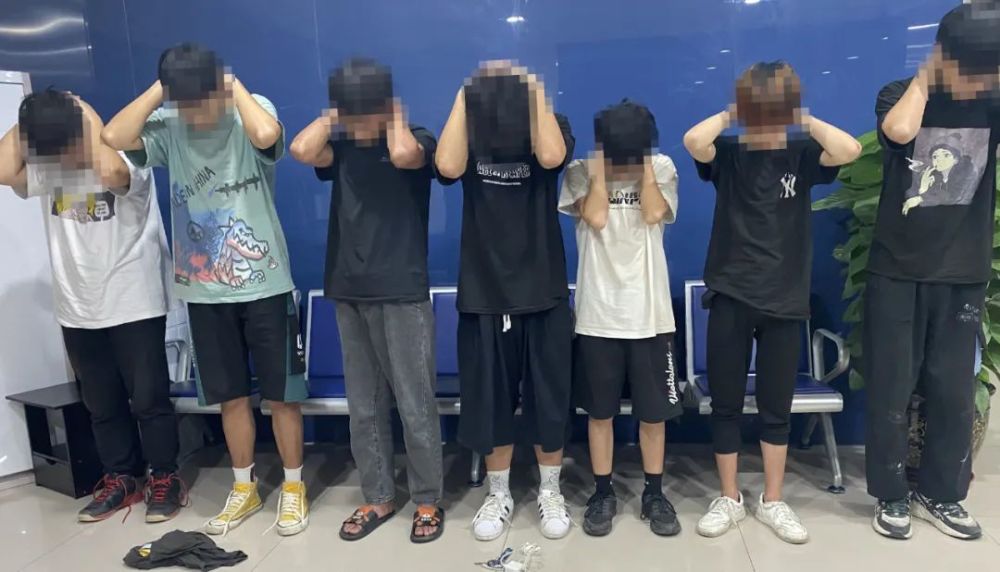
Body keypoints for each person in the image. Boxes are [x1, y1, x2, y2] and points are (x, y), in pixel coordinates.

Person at [102, 43, 308, 536]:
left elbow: (267, 136)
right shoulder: (168, 124)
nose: (196, 114)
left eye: (202, 100)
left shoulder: (250, 109)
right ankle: (244, 487)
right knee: (230, 398)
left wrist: (232, 87)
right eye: (186, 103)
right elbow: (113, 135)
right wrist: (162, 91)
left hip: (266, 285)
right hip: (204, 291)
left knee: (282, 397)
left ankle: (294, 487)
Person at [683, 61, 861, 544]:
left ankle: (773, 500)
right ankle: (729, 497)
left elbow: (849, 149)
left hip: (784, 298)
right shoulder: (729, 153)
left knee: (775, 407)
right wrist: (733, 114)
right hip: (731, 294)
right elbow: (693, 141)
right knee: (725, 404)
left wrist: (800, 117)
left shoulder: (802, 153)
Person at [0, 90, 184, 523]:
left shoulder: (125, 155)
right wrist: (34, 116)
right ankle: (121, 477)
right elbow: (5, 169)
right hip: (77, 306)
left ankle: (164, 477)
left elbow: (111, 171)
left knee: (150, 400)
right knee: (101, 404)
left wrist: (83, 113)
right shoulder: (49, 168)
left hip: (133, 301)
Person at [288, 57, 445, 543]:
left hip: (401, 290)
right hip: (348, 288)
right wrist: (336, 114)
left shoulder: (417, 139)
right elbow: (300, 149)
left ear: (384, 105)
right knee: (364, 405)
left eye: (362, 113)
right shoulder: (339, 149)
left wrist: (391, 113)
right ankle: (378, 495)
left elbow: (402, 154)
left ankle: (427, 499)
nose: (355, 125)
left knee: (415, 403)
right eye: (348, 114)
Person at [865, 3, 1000, 541]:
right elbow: (899, 132)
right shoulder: (900, 94)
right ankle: (891, 493)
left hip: (962, 271)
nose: (977, 84)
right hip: (897, 269)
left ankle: (942, 493)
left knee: (953, 392)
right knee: (891, 388)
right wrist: (928, 75)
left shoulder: (992, 101)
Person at [436, 61, 575, 541]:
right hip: (484, 292)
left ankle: (550, 490)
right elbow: (447, 166)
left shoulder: (552, 126)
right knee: (489, 402)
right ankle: (498, 494)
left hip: (543, 288)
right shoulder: (470, 135)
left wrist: (532, 86)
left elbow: (552, 157)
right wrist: (464, 93)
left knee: (549, 401)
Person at [558, 100, 683, 537]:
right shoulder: (580, 171)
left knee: (654, 415)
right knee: (600, 413)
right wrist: (600, 170)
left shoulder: (661, 167)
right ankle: (602, 492)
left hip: (651, 315)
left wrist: (643, 164)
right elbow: (595, 216)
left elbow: (652, 213)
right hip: (598, 315)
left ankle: (654, 493)